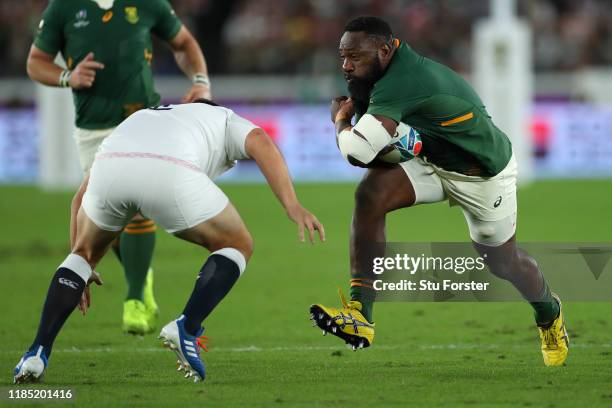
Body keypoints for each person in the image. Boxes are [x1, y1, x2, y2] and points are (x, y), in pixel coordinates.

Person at [310, 16, 568, 366]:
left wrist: (340, 121)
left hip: (482, 173)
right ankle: (360, 312)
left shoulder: (404, 79)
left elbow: (356, 151)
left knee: (502, 262)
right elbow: (366, 159)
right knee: (369, 196)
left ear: (385, 50)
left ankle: (549, 313)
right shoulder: (377, 73)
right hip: (431, 157)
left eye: (354, 57)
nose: (346, 66)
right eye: (343, 56)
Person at [13, 100, 325, 384]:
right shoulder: (224, 118)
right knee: (237, 243)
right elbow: (260, 141)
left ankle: (36, 353)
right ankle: (187, 326)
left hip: (111, 164)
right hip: (168, 170)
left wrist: (80, 266)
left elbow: (77, 200)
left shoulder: (147, 117)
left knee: (82, 255)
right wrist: (292, 205)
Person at [26, 0, 213, 335]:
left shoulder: (148, 3)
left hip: (143, 120)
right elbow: (36, 63)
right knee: (106, 217)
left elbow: (183, 42)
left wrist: (201, 80)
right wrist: (68, 76)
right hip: (93, 128)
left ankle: (136, 296)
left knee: (137, 208)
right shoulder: (63, 8)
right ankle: (139, 272)